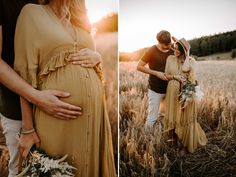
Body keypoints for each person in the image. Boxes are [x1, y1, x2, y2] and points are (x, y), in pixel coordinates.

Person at [14, 0, 116, 177]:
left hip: (95, 119)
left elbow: (93, 62)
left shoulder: (81, 19)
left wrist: (97, 56)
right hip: (55, 119)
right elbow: (24, 74)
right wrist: (28, 129)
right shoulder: (31, 13)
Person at [164, 38, 207, 154]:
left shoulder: (191, 61)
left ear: (184, 51)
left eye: (178, 50)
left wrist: (187, 54)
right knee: (175, 116)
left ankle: (185, 145)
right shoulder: (170, 59)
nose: (175, 51)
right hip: (172, 93)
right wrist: (174, 78)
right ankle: (176, 141)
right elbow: (166, 75)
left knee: (185, 118)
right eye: (175, 48)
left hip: (187, 93)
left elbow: (185, 69)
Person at [137, 30, 174, 129]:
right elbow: (139, 66)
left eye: (169, 44)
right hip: (155, 89)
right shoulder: (152, 50)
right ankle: (147, 140)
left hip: (170, 89)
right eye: (164, 45)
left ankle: (160, 137)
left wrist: (177, 42)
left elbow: (186, 52)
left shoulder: (173, 49)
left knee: (164, 115)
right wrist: (156, 73)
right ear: (158, 42)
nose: (167, 47)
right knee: (152, 117)